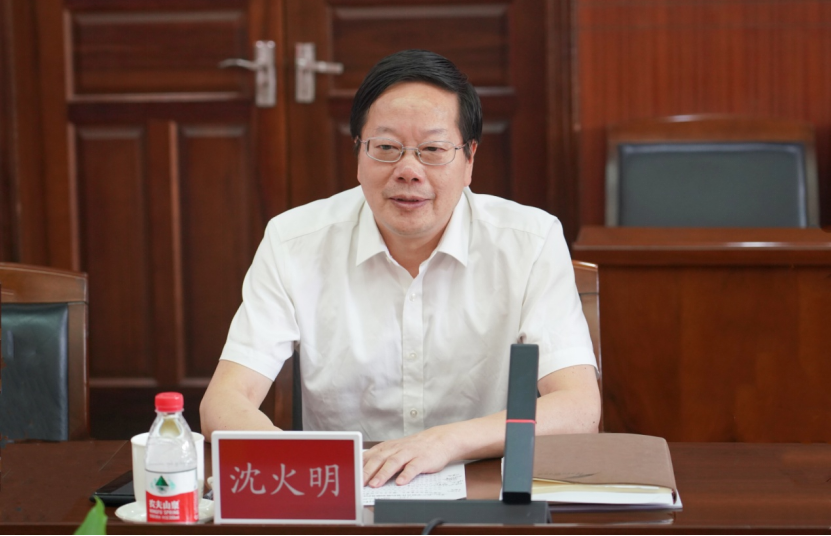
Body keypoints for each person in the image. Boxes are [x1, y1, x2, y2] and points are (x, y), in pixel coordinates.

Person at [200, 49, 600, 488]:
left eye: (433, 150)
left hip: (483, 487)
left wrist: (445, 442)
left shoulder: (531, 241)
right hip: (346, 490)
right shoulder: (293, 241)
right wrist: (305, 466)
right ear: (358, 155)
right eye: (387, 148)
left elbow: (579, 407)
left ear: (469, 159)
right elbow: (224, 400)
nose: (409, 171)